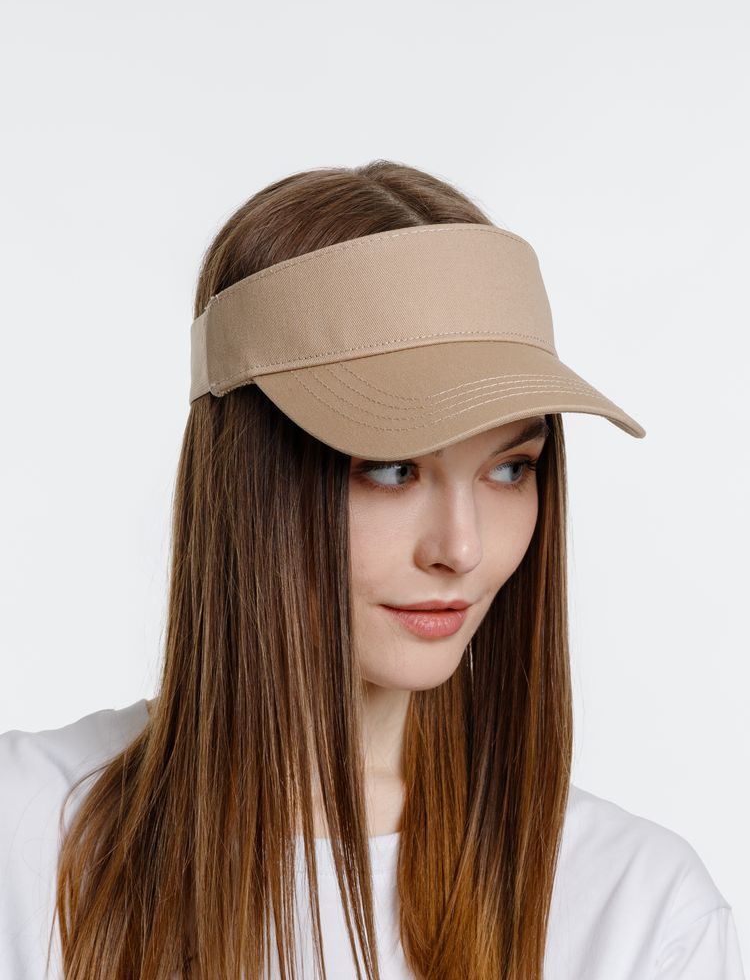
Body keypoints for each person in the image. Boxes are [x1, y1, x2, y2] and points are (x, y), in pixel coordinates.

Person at [0, 160, 745, 980]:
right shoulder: (25, 840)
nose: (461, 548)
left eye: (510, 469)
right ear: (247, 475)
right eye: (393, 469)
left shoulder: (641, 915)